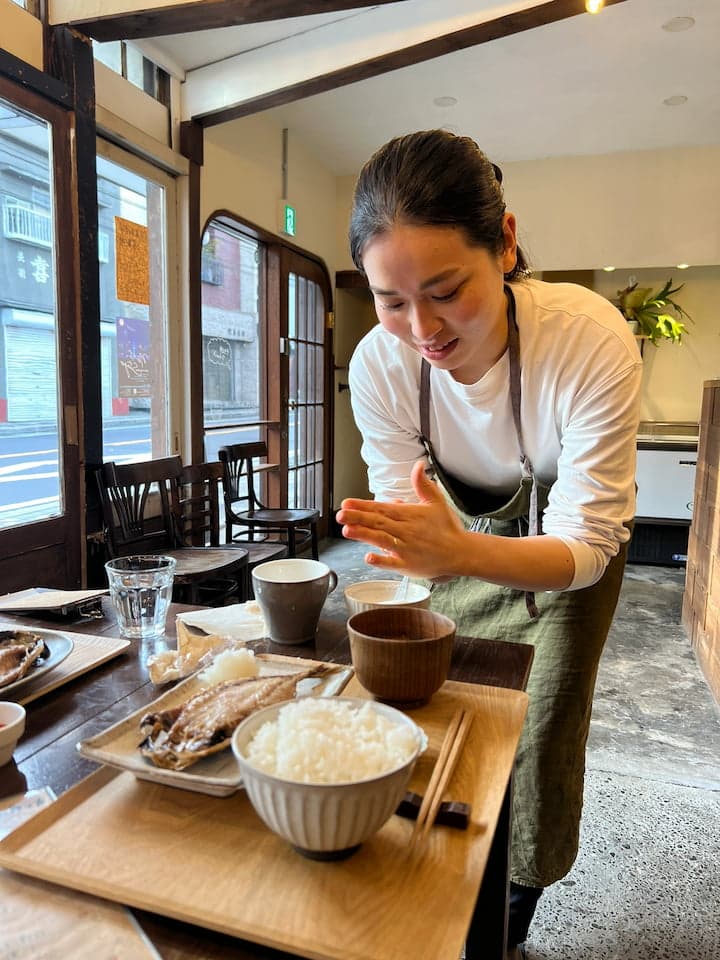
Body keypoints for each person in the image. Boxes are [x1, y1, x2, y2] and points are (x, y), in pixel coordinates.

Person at [335, 129, 642, 957]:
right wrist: (411, 550)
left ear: (505, 244)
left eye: (445, 290)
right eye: (391, 301)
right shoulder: (381, 363)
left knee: (536, 743)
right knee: (435, 726)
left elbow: (585, 543)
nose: (422, 328)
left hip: (562, 572)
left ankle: (509, 922)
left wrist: (454, 550)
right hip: (452, 555)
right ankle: (434, 904)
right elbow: (408, 506)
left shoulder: (587, 338)